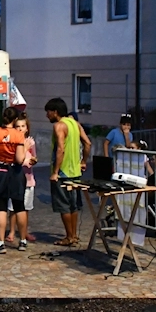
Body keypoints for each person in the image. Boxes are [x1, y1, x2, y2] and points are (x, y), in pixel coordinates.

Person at [45, 98, 92, 246]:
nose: (47, 115)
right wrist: (83, 161)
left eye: (48, 112)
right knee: (73, 205)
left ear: (55, 112)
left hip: (63, 172)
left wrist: (55, 172)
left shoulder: (59, 126)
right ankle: (74, 235)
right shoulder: (75, 124)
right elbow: (88, 143)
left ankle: (69, 237)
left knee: (64, 205)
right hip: (75, 172)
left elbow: (60, 148)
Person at [0, 107, 27, 253]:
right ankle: (22, 241)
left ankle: (0, 242)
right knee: (19, 206)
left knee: (1, 207)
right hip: (15, 172)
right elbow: (19, 159)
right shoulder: (19, 135)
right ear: (15, 120)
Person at [6, 113, 37, 243]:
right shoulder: (13, 142)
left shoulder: (30, 142)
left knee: (26, 208)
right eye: (18, 126)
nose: (20, 128)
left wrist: (33, 161)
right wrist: (25, 149)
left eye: (23, 126)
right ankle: (12, 231)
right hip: (15, 179)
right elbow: (16, 160)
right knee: (13, 208)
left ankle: (24, 231)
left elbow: (34, 156)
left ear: (27, 128)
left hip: (28, 179)